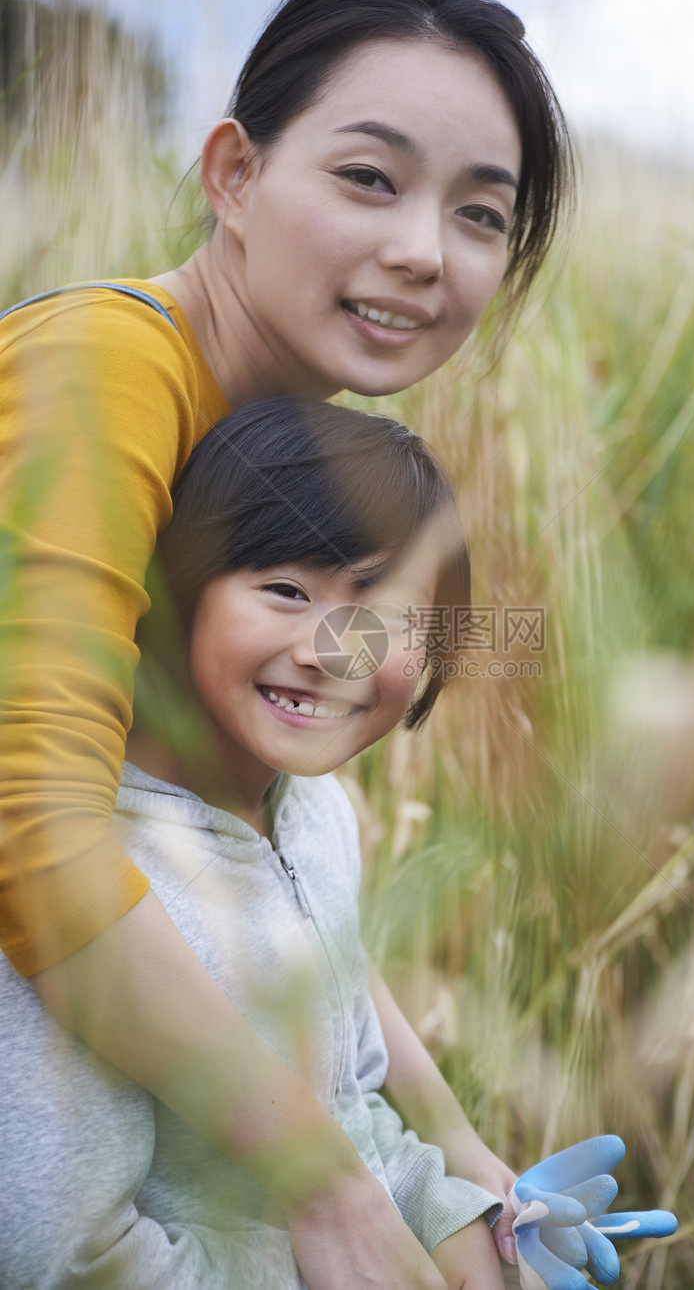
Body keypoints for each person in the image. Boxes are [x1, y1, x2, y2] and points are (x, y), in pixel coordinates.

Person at [0, 1, 572, 1285]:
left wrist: (461, 1162)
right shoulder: (103, 372)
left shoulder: (276, 453)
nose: (423, 252)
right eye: (368, 177)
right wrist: (325, 1186)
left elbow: (280, 912)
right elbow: (29, 826)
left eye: (480, 212)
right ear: (234, 175)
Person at [0, 395, 509, 1289]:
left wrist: (461, 1224)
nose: (330, 650)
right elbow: (62, 1255)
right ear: (176, 590)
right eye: (285, 589)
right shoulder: (74, 883)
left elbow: (350, 1112)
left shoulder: (316, 813)